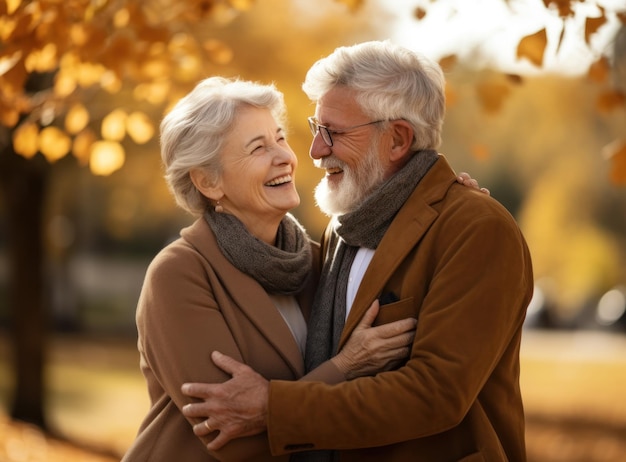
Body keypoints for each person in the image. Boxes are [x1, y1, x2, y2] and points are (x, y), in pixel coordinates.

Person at [181, 40, 534, 462]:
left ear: (398, 140)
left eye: (333, 133)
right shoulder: (344, 230)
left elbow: (434, 395)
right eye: (316, 129)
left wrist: (272, 408)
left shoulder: (476, 228)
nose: (314, 151)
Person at [120, 76, 425, 462]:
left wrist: (445, 196)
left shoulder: (319, 260)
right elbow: (236, 441)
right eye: (258, 148)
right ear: (208, 181)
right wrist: (345, 367)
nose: (285, 156)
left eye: (280, 138)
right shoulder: (179, 275)